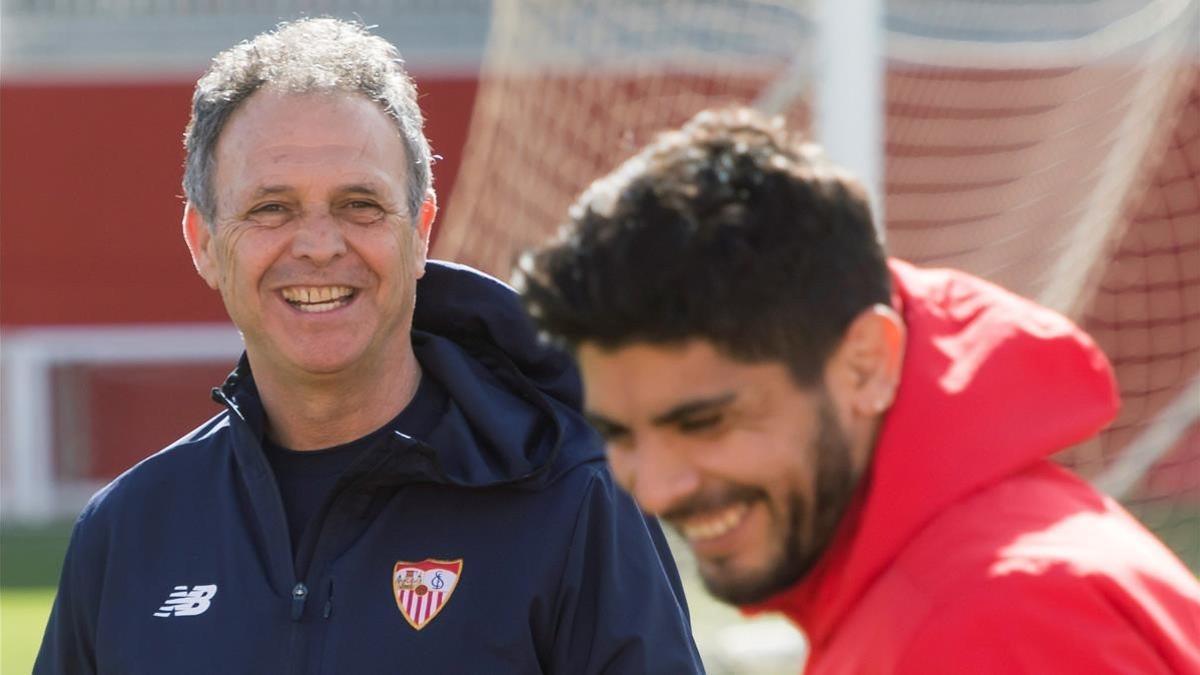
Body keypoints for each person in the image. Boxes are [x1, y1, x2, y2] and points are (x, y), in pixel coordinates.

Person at [35, 18, 704, 674]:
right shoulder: (126, 533)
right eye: (272, 207)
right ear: (204, 242)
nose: (321, 246)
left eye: (361, 204)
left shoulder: (574, 497)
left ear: (420, 229)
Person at [516, 107, 1200, 674]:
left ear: (867, 363)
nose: (657, 489)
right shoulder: (951, 582)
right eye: (620, 435)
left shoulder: (991, 617)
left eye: (706, 422)